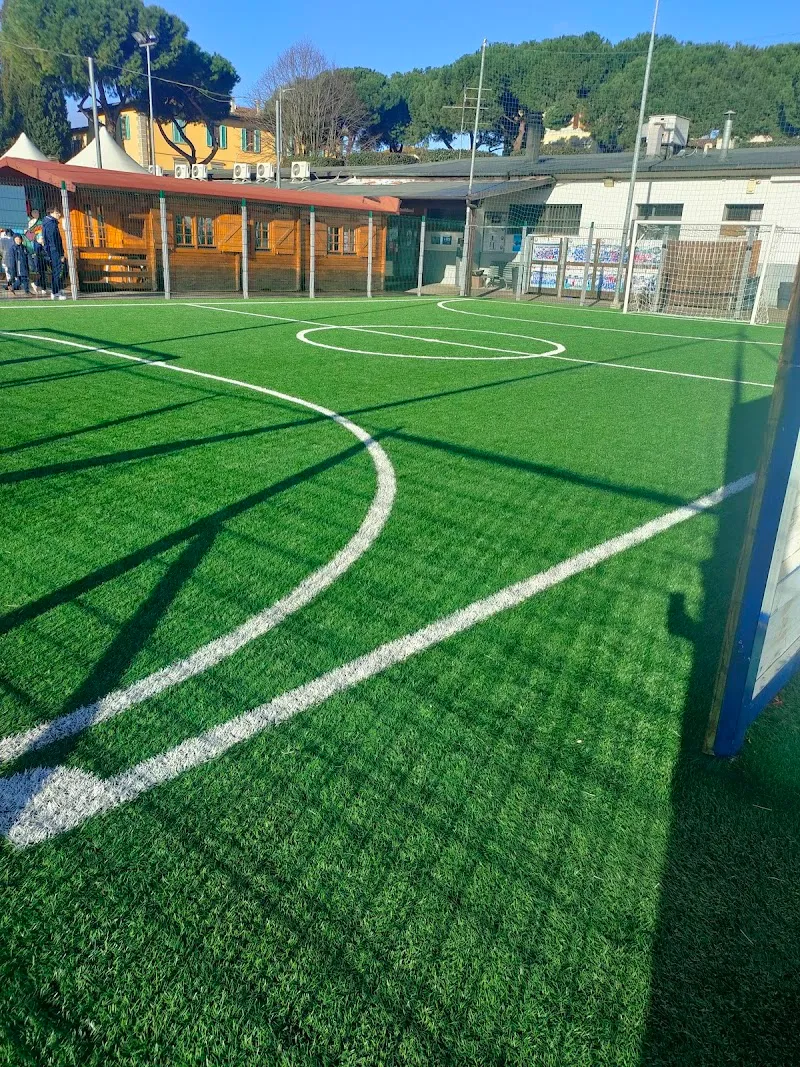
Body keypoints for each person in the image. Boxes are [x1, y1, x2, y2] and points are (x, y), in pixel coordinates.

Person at [42, 208, 67, 300]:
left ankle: (56, 290)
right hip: (55, 251)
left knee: (56, 271)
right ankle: (55, 292)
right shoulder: (51, 224)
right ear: (51, 213)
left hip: (52, 251)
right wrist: (60, 253)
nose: (59, 214)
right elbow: (54, 240)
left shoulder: (47, 222)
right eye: (57, 213)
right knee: (57, 271)